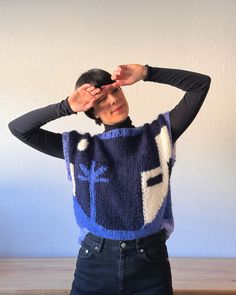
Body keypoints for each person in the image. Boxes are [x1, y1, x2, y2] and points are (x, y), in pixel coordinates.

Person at [8, 64, 211, 295]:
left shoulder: (156, 138)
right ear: (91, 111)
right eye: (101, 99)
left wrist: (146, 72)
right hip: (95, 261)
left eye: (115, 91)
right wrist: (67, 106)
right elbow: (19, 128)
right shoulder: (81, 149)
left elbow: (200, 85)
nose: (113, 100)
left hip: (150, 264)